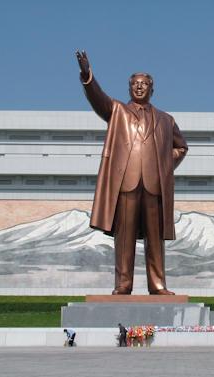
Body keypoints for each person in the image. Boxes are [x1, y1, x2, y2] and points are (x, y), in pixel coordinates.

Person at [76, 51, 188, 295]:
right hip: (126, 182)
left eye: (144, 84)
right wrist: (87, 75)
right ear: (129, 88)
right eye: (135, 84)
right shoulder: (117, 111)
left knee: (155, 238)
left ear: (152, 89)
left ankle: (158, 285)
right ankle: (123, 284)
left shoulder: (166, 120)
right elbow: (98, 99)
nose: (139, 88)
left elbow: (182, 147)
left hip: (154, 185)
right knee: (124, 237)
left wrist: (164, 165)